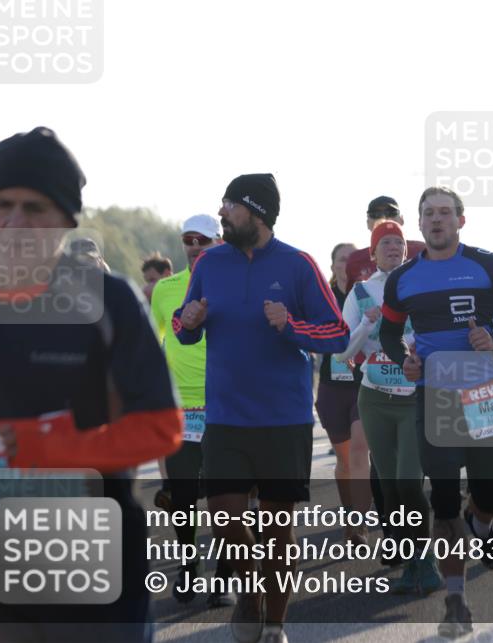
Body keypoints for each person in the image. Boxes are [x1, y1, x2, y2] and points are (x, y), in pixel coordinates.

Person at [0, 126, 182, 642]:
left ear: (66, 220)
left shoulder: (110, 300)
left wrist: (52, 448)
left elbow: (162, 428)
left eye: (35, 209)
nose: (15, 223)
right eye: (3, 206)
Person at [174, 173, 349, 643]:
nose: (222, 212)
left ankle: (274, 623)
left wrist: (290, 326)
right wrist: (187, 322)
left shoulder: (297, 264)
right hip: (226, 417)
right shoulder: (210, 263)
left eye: (230, 204)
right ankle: (249, 593)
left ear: (256, 211)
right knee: (227, 519)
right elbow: (185, 323)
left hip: (282, 419)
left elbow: (337, 334)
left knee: (275, 531)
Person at [379, 187, 493, 639]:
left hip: (485, 395)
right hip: (435, 395)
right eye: (429, 214)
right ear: (419, 223)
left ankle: (478, 525)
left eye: (445, 213)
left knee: (489, 497)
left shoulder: (488, 265)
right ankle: (456, 600)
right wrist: (404, 361)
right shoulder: (404, 279)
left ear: (461, 221)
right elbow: (390, 335)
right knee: (445, 499)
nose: (437, 220)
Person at [334, 220, 442, 594]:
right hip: (375, 398)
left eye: (399, 242)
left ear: (406, 250)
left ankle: (425, 561)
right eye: (386, 243)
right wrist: (366, 323)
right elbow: (344, 351)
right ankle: (412, 565)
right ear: (374, 252)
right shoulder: (362, 292)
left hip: (415, 398)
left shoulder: (420, 285)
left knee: (411, 482)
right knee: (391, 487)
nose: (394, 248)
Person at [150, 213, 233, 608]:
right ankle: (188, 564)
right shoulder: (165, 290)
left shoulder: (237, 285)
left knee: (226, 496)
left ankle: (224, 578)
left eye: (203, 240)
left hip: (227, 403)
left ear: (219, 242)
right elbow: (155, 343)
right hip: (181, 407)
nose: (195, 246)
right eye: (188, 239)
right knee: (182, 497)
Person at [315, 241, 372, 546]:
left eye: (352, 259)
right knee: (345, 460)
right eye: (341, 259)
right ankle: (350, 513)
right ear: (333, 264)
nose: (347, 263)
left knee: (359, 452)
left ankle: (360, 524)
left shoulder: (367, 293)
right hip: (331, 388)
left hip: (363, 385)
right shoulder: (322, 297)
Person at [343, 196, 426, 293]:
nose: (384, 218)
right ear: (368, 223)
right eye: (375, 214)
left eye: (391, 213)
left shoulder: (422, 251)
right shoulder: (355, 260)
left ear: (402, 219)